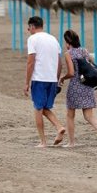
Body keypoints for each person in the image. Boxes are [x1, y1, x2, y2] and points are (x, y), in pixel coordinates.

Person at [58, 30, 97, 148]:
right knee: (89, 115)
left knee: (70, 115)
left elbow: (71, 72)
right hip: (87, 85)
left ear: (67, 42)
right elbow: (91, 63)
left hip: (75, 86)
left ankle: (71, 142)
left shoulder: (68, 53)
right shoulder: (84, 50)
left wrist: (62, 78)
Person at [23, 16, 66, 148]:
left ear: (33, 26)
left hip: (39, 78)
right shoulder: (53, 39)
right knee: (45, 108)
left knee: (38, 109)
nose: (28, 30)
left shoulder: (32, 39)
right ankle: (59, 127)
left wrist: (26, 82)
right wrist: (57, 79)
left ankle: (43, 142)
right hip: (52, 79)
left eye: (28, 27)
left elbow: (31, 62)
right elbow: (60, 63)